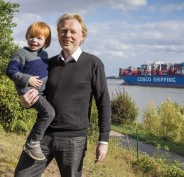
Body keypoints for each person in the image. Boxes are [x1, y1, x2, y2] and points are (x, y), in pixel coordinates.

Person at [14, 13, 112, 177]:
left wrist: (103, 140)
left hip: (74, 140)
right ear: (58, 34)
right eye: (63, 31)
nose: (67, 35)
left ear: (82, 36)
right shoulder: (47, 63)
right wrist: (25, 103)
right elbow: (38, 96)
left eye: (73, 32)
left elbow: (103, 103)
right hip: (42, 136)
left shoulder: (93, 63)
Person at [6, 22, 55, 161]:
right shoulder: (22, 53)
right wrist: (28, 79)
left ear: (46, 41)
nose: (34, 40)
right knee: (49, 113)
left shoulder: (44, 54)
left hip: (40, 92)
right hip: (29, 92)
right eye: (32, 36)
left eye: (39, 38)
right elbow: (10, 71)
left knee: (45, 114)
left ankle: (37, 141)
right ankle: (33, 143)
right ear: (27, 36)